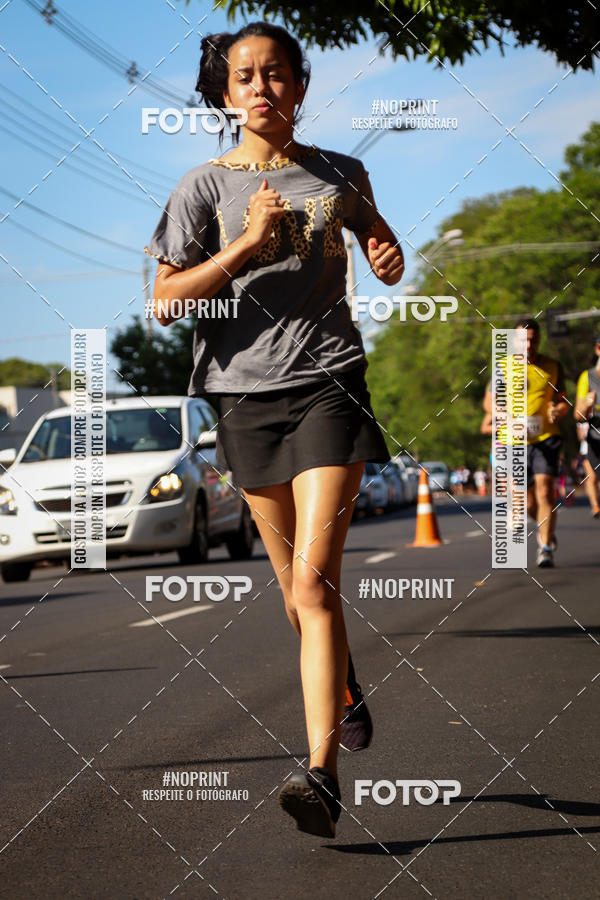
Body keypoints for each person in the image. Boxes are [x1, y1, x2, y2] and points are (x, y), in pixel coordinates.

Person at [144, 22, 404, 838]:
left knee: (314, 583)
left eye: (275, 73)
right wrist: (247, 245)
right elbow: (165, 301)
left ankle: (319, 776)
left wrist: (386, 251)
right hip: (243, 399)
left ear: (299, 84)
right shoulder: (202, 188)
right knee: (295, 594)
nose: (260, 86)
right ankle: (347, 686)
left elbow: (376, 233)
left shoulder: (339, 171)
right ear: (225, 97)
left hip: (328, 386)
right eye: (244, 77)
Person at [482, 317, 569, 567]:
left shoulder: (553, 366)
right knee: (528, 502)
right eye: (523, 340)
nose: (528, 345)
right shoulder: (503, 366)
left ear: (539, 340)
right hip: (513, 441)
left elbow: (563, 401)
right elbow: (489, 403)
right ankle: (545, 530)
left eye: (532, 340)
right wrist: (505, 416)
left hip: (546, 437)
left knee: (545, 491)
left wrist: (558, 411)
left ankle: (545, 548)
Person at [575, 333, 600, 518]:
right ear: (598, 349)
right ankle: (595, 506)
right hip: (595, 439)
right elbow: (578, 414)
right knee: (592, 477)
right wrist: (587, 405)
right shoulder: (588, 377)